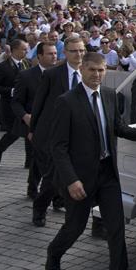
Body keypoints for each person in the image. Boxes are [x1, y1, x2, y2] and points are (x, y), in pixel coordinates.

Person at [45, 52, 136, 270]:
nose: (97, 75)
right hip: (80, 178)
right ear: (82, 70)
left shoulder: (111, 96)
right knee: (74, 227)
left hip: (108, 174)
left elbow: (118, 127)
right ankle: (54, 253)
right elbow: (58, 147)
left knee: (116, 227)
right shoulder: (67, 101)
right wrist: (71, 180)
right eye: (92, 70)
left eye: (101, 70)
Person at [30, 35, 85, 227]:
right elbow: (38, 104)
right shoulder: (52, 75)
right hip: (54, 135)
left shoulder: (88, 73)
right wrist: (34, 130)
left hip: (78, 135)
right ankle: (39, 208)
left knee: (69, 175)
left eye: (81, 50)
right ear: (65, 53)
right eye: (74, 51)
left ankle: (63, 203)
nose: (78, 54)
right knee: (53, 177)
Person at [11, 42, 57, 202]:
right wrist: (25, 116)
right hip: (33, 126)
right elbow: (16, 102)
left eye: (55, 53)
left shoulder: (61, 75)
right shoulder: (26, 76)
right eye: (50, 54)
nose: (54, 56)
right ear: (39, 56)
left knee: (46, 159)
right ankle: (39, 191)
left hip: (55, 125)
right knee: (41, 159)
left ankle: (47, 192)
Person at [0, 38, 30, 165]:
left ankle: (29, 162)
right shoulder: (3, 66)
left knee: (29, 131)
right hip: (9, 105)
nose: (26, 51)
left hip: (26, 105)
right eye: (23, 49)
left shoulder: (27, 63)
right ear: (14, 50)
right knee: (14, 132)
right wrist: (11, 91)